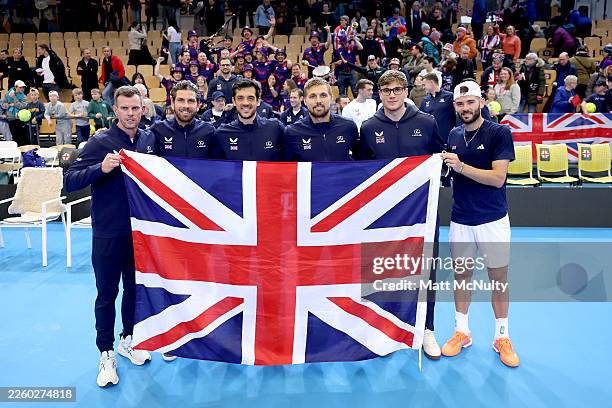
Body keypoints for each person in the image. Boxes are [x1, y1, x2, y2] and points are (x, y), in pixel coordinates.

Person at [65, 86, 153, 387]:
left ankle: (128, 339)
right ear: (115, 110)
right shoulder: (99, 141)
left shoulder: (147, 139)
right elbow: (69, 181)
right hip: (107, 234)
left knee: (134, 290)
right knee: (106, 294)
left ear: (142, 109)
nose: (131, 114)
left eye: (135, 108)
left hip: (140, 233)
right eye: (125, 108)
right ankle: (105, 354)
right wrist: (100, 169)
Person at [359, 69, 445, 359]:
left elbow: (439, 161)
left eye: (397, 89)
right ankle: (384, 328)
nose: (392, 95)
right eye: (386, 91)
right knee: (383, 268)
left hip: (421, 213)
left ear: (407, 91)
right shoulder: (369, 127)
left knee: (426, 269)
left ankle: (426, 328)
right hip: (384, 217)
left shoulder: (427, 122)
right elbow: (362, 171)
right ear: (379, 94)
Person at [440, 80, 519, 368]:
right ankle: (462, 331)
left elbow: (498, 178)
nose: (465, 108)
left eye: (470, 102)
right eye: (460, 104)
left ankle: (502, 336)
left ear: (481, 102)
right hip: (460, 218)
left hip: (493, 219)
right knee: (461, 277)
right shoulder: (453, 133)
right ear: (455, 107)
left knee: (498, 278)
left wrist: (460, 166)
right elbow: (451, 173)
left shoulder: (499, 132)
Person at [283, 77, 359, 161]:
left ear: (331, 98)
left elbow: (362, 163)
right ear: (305, 101)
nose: (318, 101)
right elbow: (288, 169)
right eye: (312, 96)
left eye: (323, 95)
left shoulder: (348, 127)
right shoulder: (292, 132)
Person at [139, 80, 215, 159]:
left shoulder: (209, 131)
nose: (186, 106)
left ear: (198, 105)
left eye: (191, 101)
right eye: (180, 100)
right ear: (172, 102)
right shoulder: (157, 129)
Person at [214, 78, 284, 160]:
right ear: (234, 101)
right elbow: (217, 168)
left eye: (250, 98)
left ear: (258, 101)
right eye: (240, 98)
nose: (245, 103)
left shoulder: (275, 128)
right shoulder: (222, 133)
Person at [420, 72, 455, 143]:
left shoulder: (449, 96)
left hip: (448, 138)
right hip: (431, 139)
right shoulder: (425, 100)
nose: (423, 87)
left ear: (431, 82)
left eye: (424, 85)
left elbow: (456, 116)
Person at [4, 80, 28, 146]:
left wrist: (14, 98)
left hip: (20, 118)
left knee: (22, 137)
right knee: (15, 137)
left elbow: (21, 106)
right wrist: (9, 105)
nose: (22, 89)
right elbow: (3, 104)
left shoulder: (24, 96)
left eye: (23, 87)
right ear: (16, 87)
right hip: (11, 118)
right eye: (20, 87)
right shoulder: (7, 94)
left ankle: (24, 152)